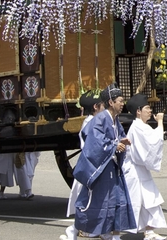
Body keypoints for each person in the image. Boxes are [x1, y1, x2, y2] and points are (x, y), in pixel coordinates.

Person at [72, 84, 136, 240]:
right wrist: (115, 145)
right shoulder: (100, 119)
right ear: (111, 102)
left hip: (112, 167)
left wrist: (123, 141)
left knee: (116, 200)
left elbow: (117, 137)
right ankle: (74, 229)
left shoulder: (115, 120)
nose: (122, 104)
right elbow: (95, 140)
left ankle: (112, 234)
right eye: (120, 101)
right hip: (100, 168)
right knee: (98, 202)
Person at [123, 93, 167, 240]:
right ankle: (146, 231)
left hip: (140, 170)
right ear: (138, 111)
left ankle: (149, 231)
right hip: (135, 171)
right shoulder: (138, 127)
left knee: (148, 200)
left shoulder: (141, 126)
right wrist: (160, 123)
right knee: (141, 200)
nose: (150, 111)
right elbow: (153, 142)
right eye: (147, 108)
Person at [62, 90, 104, 240]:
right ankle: (74, 230)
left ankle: (103, 230)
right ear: (95, 107)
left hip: (97, 164)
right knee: (88, 201)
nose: (104, 107)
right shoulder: (90, 123)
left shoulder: (95, 120)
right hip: (91, 166)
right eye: (102, 105)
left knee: (99, 200)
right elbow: (95, 146)